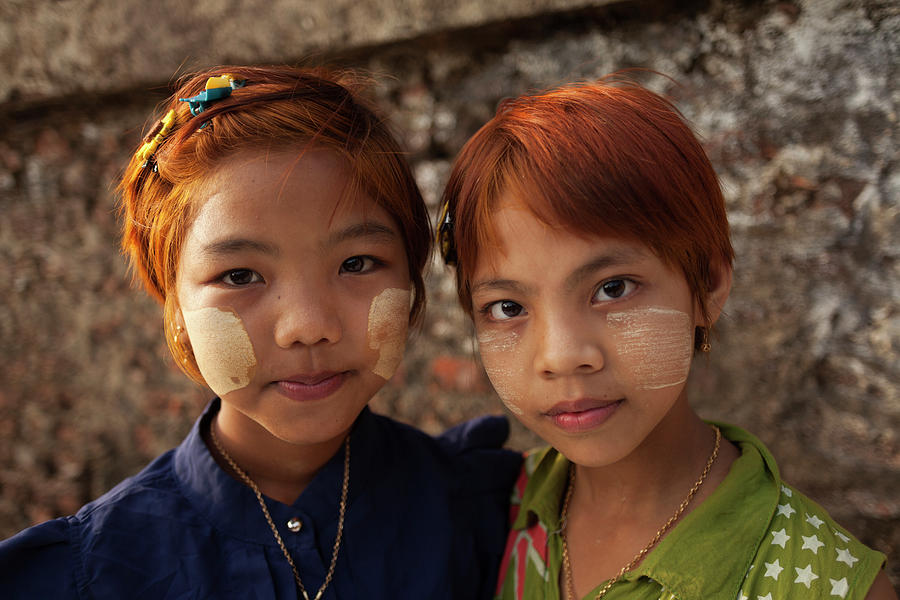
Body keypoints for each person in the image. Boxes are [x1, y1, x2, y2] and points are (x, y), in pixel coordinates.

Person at [0, 65, 521, 599]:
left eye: (358, 263)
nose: (308, 327)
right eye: (240, 276)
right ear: (173, 303)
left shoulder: (488, 515)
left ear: (411, 276)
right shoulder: (89, 577)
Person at [437, 76, 895, 600]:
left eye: (613, 289)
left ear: (708, 286)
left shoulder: (820, 584)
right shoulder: (501, 507)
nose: (561, 356)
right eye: (508, 307)